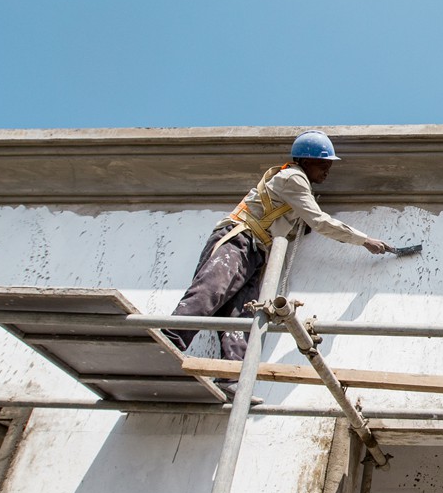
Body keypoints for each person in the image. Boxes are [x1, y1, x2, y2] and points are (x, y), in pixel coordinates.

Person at [166, 130, 389, 370]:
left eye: (328, 165)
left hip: (255, 251)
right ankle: (169, 341)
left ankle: (231, 380)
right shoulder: (294, 177)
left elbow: (295, 223)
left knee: (241, 317)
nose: (327, 170)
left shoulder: (297, 186)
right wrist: (364, 240)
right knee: (212, 289)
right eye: (322, 164)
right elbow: (320, 222)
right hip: (238, 240)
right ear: (304, 161)